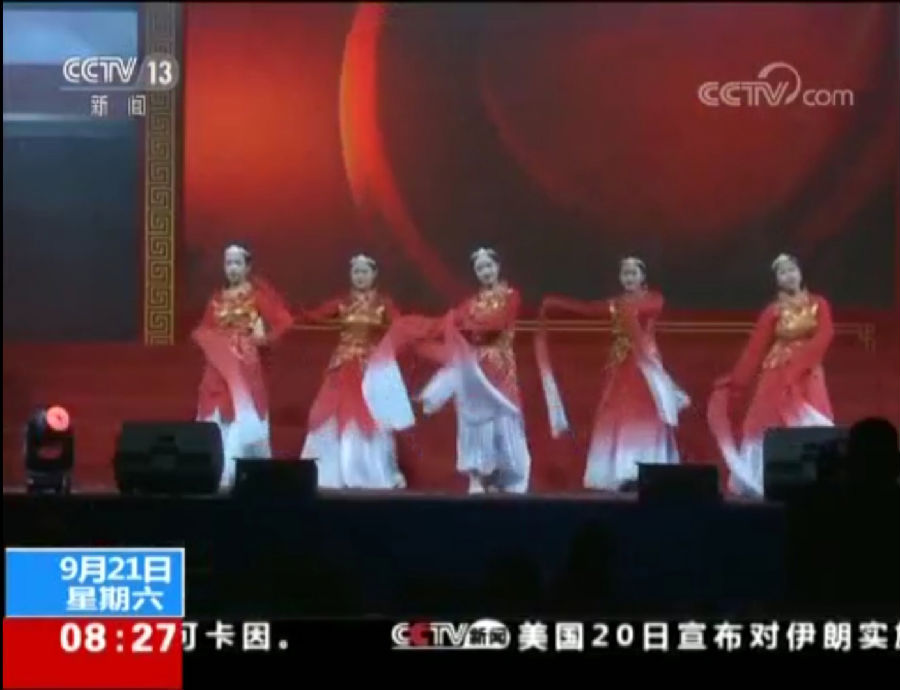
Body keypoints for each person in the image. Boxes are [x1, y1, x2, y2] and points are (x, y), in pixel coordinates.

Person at [537, 257, 689, 490]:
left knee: (645, 418)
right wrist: (556, 303)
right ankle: (622, 471)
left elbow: (644, 310)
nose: (629, 278)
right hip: (621, 369)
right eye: (625, 274)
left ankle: (646, 469)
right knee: (618, 416)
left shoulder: (653, 299)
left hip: (645, 370)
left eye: (633, 273)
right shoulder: (617, 303)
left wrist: (621, 307)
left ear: (643, 276)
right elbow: (588, 309)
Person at [708, 254, 834, 498]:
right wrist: (736, 380)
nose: (789, 275)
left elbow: (825, 334)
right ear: (777, 280)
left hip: (807, 374)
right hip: (776, 373)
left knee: (811, 424)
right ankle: (763, 480)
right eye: (782, 272)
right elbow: (755, 349)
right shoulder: (772, 311)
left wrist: (800, 360)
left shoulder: (819, 303)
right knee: (766, 423)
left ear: (800, 273)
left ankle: (814, 480)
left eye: (792, 270)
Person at [418, 248, 532, 494]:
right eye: (480, 269)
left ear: (498, 267)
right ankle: (479, 476)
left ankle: (507, 477)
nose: (485, 272)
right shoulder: (471, 303)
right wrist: (420, 330)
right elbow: (450, 321)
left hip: (500, 368)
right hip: (475, 368)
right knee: (475, 420)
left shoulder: (511, 296)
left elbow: (496, 323)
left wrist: (467, 324)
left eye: (489, 266)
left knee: (503, 416)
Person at [298, 254, 410, 489]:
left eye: (364, 272)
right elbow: (314, 316)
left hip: (369, 368)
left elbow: (401, 327)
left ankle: (371, 471)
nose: (360, 276)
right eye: (356, 272)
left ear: (374, 275)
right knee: (328, 413)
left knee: (372, 415)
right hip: (342, 364)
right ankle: (330, 473)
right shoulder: (343, 302)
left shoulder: (383, 304)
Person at [192, 243, 293, 491]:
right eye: (228, 263)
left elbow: (284, 322)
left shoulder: (257, 297)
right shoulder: (216, 299)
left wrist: (263, 340)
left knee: (241, 412)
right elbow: (205, 328)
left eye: (238, 263)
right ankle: (215, 471)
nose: (233, 268)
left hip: (245, 364)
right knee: (216, 412)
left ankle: (239, 472)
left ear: (248, 267)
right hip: (218, 367)